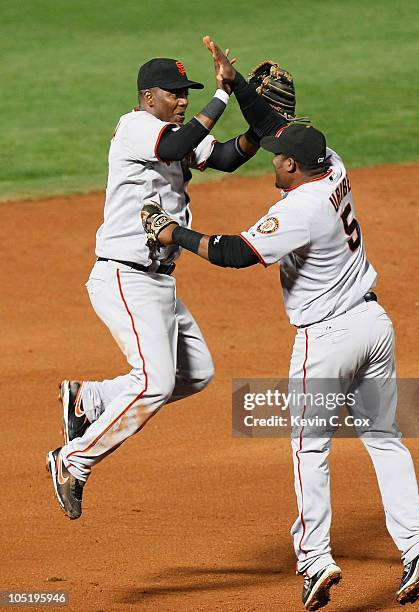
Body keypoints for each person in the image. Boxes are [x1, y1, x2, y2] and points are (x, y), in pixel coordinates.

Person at [140, 122, 419, 610]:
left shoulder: (301, 208)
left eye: (277, 156)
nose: (272, 159)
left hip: (328, 341)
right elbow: (285, 128)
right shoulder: (334, 168)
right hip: (373, 324)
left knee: (308, 450)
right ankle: (417, 542)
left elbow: (235, 253)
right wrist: (238, 88)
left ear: (292, 166)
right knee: (384, 439)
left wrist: (171, 231)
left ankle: (316, 559)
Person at [47, 37, 290, 521]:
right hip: (123, 275)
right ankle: (73, 461)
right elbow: (177, 145)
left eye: (186, 92)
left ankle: (87, 398)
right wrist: (221, 94)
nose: (182, 100)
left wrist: (257, 128)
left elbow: (223, 157)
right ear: (147, 97)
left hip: (159, 281)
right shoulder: (137, 127)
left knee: (195, 373)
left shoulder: (174, 128)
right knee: (155, 382)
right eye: (174, 93)